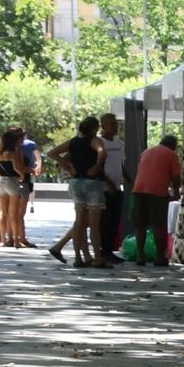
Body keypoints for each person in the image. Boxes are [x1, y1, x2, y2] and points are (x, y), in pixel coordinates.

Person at [46, 117, 110, 267]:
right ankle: (98, 257)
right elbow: (102, 152)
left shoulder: (73, 141)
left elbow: (52, 153)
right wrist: (96, 166)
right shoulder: (94, 140)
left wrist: (67, 165)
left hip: (76, 182)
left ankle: (78, 258)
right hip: (92, 183)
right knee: (94, 224)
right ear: (94, 128)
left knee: (79, 222)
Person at [128, 133, 182, 266]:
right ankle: (159, 256)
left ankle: (140, 255)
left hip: (138, 189)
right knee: (158, 224)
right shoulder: (172, 155)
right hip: (157, 192)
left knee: (140, 224)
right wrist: (176, 193)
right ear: (173, 146)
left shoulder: (146, 152)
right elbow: (176, 177)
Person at [0, 127, 29, 248]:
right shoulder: (12, 153)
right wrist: (22, 175)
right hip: (12, 181)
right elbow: (17, 167)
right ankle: (16, 241)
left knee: (3, 212)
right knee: (14, 213)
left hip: (1, 181)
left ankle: (3, 240)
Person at [97, 113, 127, 257]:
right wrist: (108, 183)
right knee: (105, 221)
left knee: (115, 221)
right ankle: (104, 250)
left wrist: (128, 179)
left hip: (117, 187)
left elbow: (121, 164)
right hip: (104, 189)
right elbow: (98, 167)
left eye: (116, 123)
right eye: (112, 124)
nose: (115, 126)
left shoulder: (119, 143)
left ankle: (109, 250)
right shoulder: (99, 143)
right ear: (103, 126)